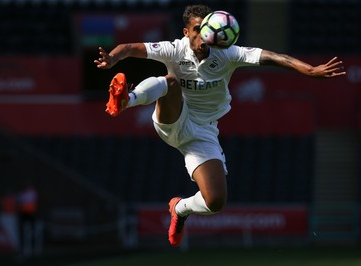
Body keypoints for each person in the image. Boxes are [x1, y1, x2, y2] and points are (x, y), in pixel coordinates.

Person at [94, 4, 345, 247]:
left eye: (206, 30)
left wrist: (309, 69)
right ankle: (127, 100)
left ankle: (179, 209)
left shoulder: (227, 52)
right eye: (196, 30)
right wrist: (113, 58)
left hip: (203, 132)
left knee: (215, 201)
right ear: (186, 32)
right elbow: (129, 47)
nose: (203, 37)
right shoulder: (173, 49)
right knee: (170, 82)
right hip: (173, 119)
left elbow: (271, 56)